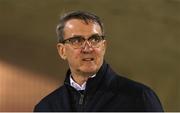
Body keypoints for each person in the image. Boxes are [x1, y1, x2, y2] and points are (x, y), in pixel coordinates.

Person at [34, 10, 164, 112]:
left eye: (94, 39)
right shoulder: (46, 108)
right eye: (77, 40)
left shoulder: (139, 98)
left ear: (103, 46)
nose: (88, 48)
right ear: (62, 51)